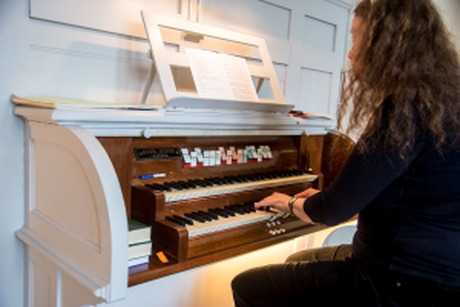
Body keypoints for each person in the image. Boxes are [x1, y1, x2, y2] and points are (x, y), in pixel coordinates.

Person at [231, 0, 460, 306]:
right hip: (442, 276)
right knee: (299, 260)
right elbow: (407, 189)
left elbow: (332, 210)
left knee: (248, 286)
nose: (351, 53)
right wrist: (332, 197)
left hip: (397, 281)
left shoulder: (405, 109)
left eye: (356, 39)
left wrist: (288, 202)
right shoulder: (443, 102)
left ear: (388, 45)